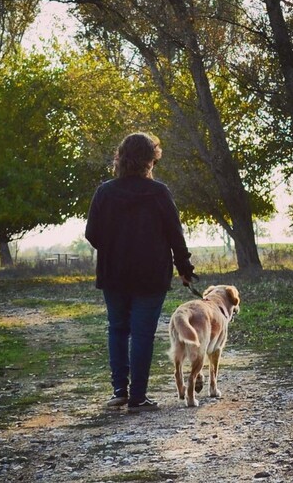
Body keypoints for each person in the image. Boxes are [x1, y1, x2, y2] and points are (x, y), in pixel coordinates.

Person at [85, 132, 195, 412]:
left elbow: (92, 234)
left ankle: (119, 391)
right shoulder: (158, 192)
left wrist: (115, 246)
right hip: (151, 274)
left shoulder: (105, 192)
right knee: (142, 333)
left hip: (114, 273)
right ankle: (138, 397)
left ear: (120, 157)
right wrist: (184, 268)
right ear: (150, 160)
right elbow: (175, 235)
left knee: (118, 329)